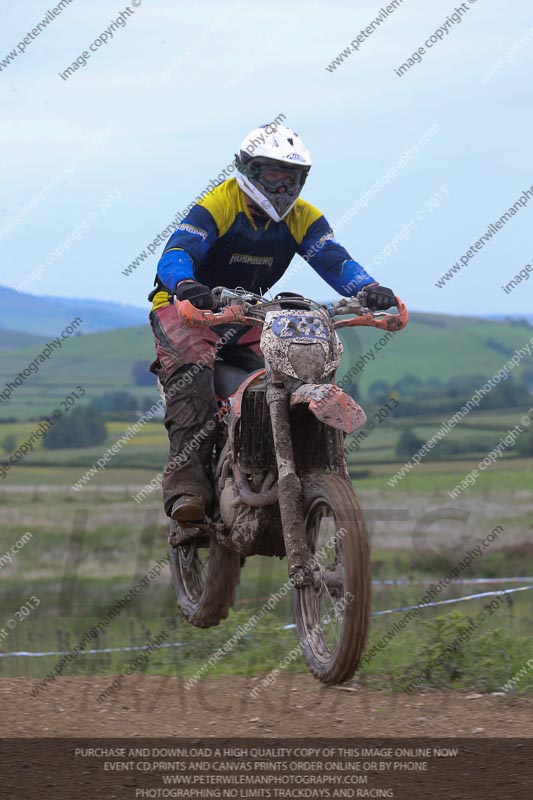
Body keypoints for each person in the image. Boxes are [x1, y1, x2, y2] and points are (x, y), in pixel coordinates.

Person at [149, 123, 397, 524]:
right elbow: (178, 251)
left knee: (284, 375)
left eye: (290, 179)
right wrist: (187, 284)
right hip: (185, 310)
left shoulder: (303, 217)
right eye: (272, 176)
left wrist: (369, 289)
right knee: (193, 376)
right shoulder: (219, 204)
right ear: (248, 170)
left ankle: (281, 469)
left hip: (247, 311)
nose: (281, 188)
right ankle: (187, 490)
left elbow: (334, 260)